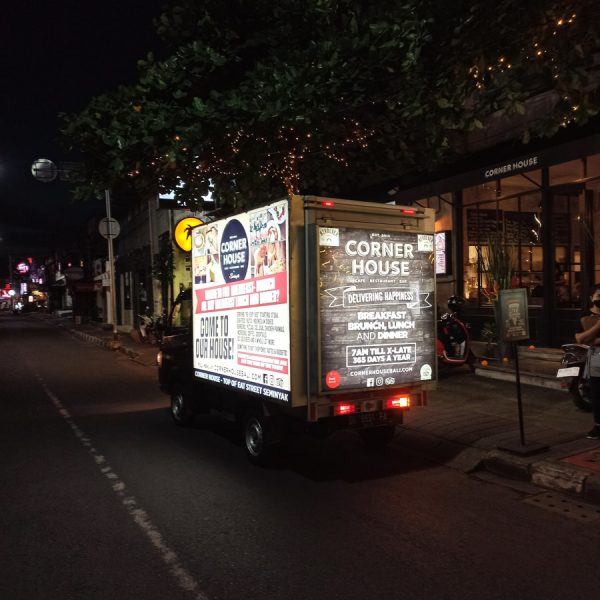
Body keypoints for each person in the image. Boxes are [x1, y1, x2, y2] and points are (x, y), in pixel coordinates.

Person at [575, 284, 600, 439]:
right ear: (592, 298)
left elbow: (589, 339)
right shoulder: (585, 317)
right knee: (597, 393)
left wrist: (595, 339)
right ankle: (598, 425)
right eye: (599, 296)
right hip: (596, 357)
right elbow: (580, 339)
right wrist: (598, 326)